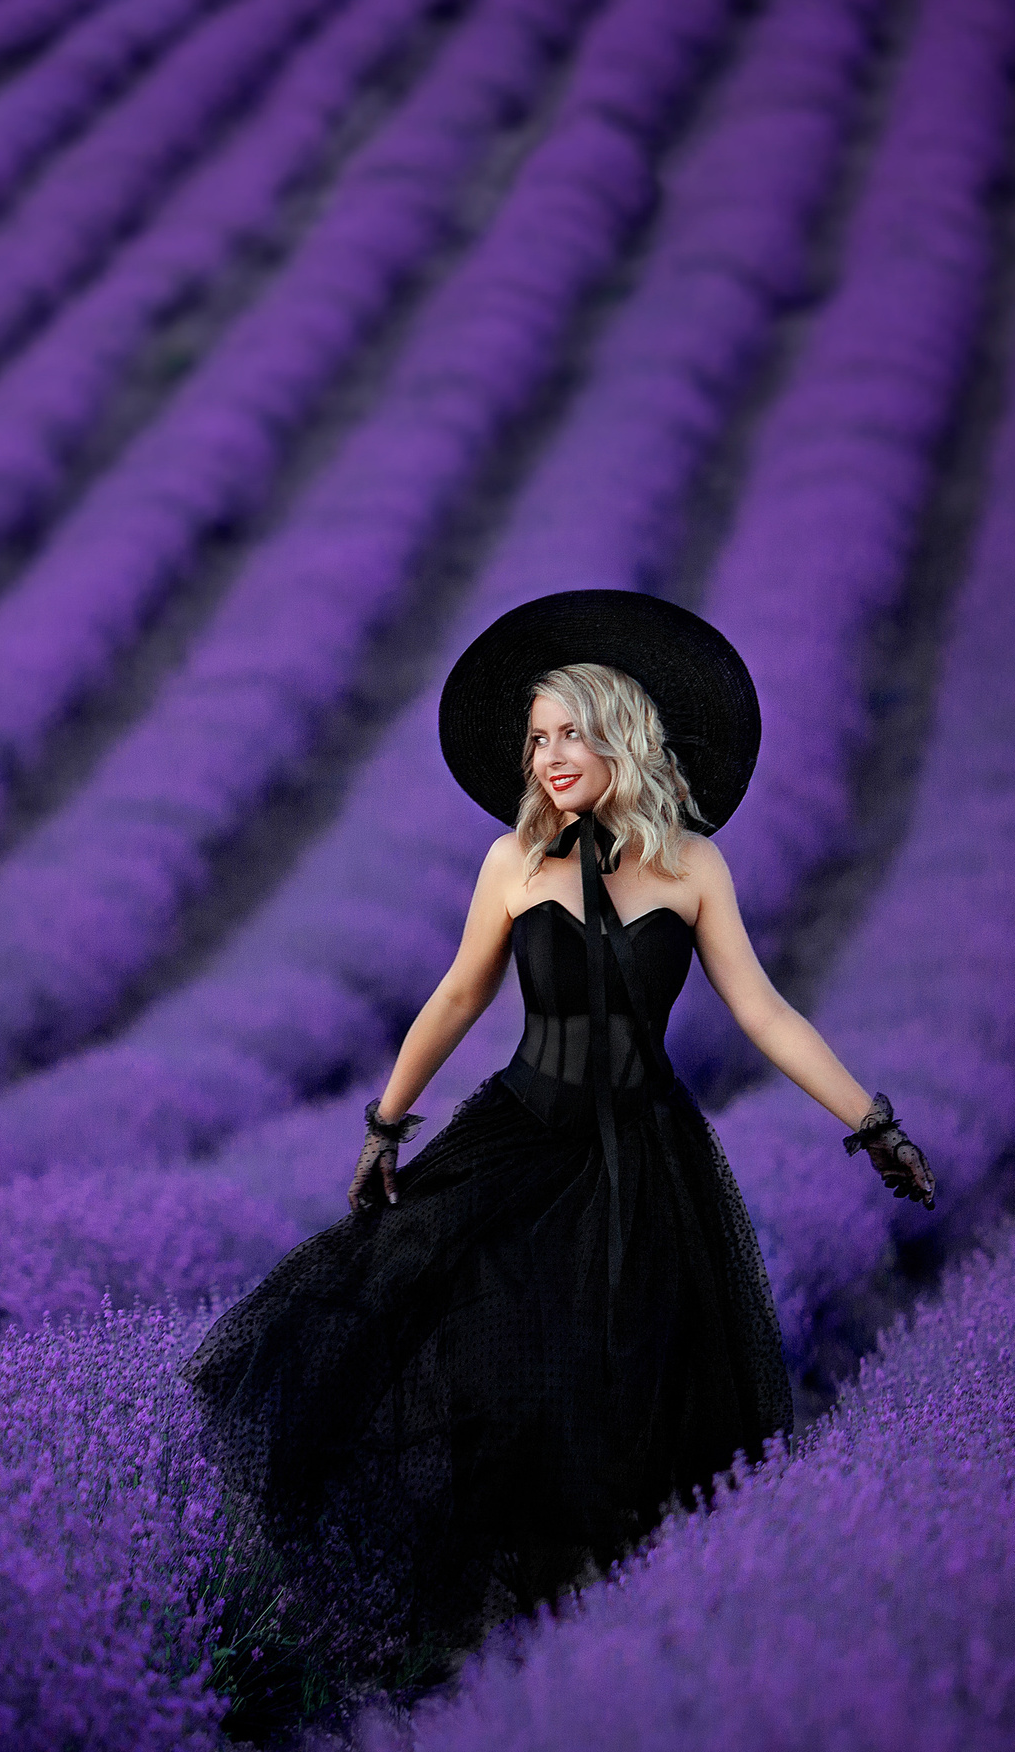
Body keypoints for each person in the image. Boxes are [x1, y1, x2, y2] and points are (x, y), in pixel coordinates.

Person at [184, 588, 936, 1682]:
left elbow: (765, 1012)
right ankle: (504, 1653)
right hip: (520, 1146)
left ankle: (612, 1660)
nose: (546, 757)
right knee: (486, 1373)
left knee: (628, 1407)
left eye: (566, 734)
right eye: (534, 741)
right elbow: (453, 997)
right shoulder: (511, 863)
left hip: (647, 1165)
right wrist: (385, 1123)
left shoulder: (692, 867)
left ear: (618, 732)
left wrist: (871, 1122)